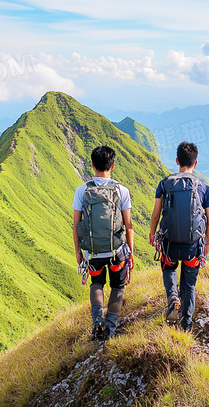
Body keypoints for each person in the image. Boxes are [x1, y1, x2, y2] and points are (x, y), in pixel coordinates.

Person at [149, 141, 209, 331]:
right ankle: (186, 326)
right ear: (196, 163)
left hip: (170, 245)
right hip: (193, 246)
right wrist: (207, 243)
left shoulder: (165, 183)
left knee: (169, 269)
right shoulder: (203, 188)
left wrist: (152, 234)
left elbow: (156, 214)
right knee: (189, 285)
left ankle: (172, 298)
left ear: (177, 161)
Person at [73, 145, 135, 340]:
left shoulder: (82, 191)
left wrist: (78, 253)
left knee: (97, 283)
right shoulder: (121, 190)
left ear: (92, 165)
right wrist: (130, 251)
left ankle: (97, 321)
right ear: (113, 165)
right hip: (117, 252)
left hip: (93, 252)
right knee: (117, 287)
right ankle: (110, 327)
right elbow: (129, 225)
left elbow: (76, 225)